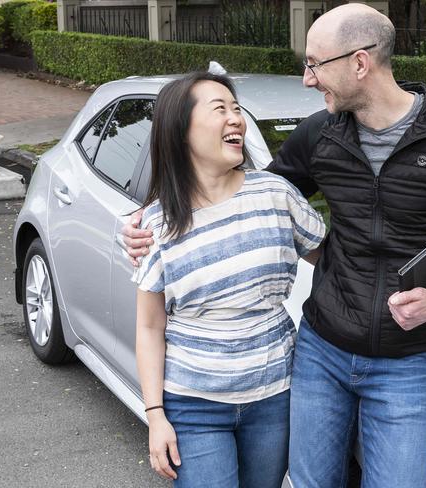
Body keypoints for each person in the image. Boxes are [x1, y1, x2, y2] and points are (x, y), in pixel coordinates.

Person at [125, 4, 426, 487]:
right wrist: (147, 219)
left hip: (409, 360)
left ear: (359, 63)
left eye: (314, 64)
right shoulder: (319, 135)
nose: (307, 79)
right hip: (320, 352)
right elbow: (247, 200)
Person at [132, 71, 325, 487]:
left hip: (275, 395)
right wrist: (154, 415)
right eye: (220, 109)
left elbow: (335, 259)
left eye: (237, 109)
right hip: (193, 405)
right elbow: (149, 326)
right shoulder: (156, 224)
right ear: (181, 130)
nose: (235, 118)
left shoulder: (276, 194)